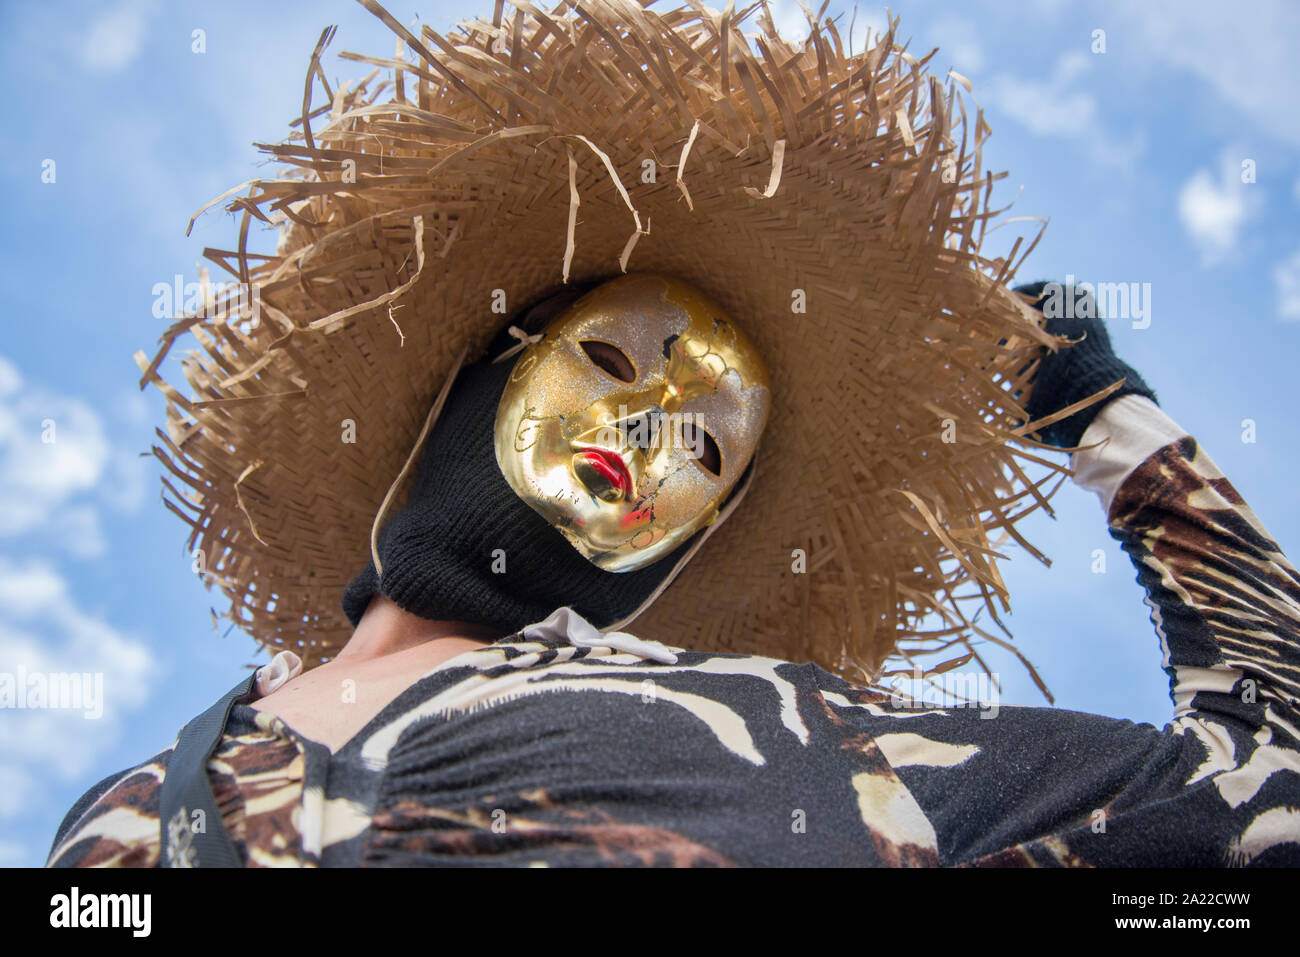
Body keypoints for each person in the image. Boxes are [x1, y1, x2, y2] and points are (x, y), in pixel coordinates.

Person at [46, 0, 1300, 866]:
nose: (652, 427)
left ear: (683, 549)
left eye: (706, 451)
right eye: (609, 358)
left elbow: (1268, 792)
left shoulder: (805, 743)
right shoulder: (130, 801)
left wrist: (1118, 433)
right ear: (489, 364)